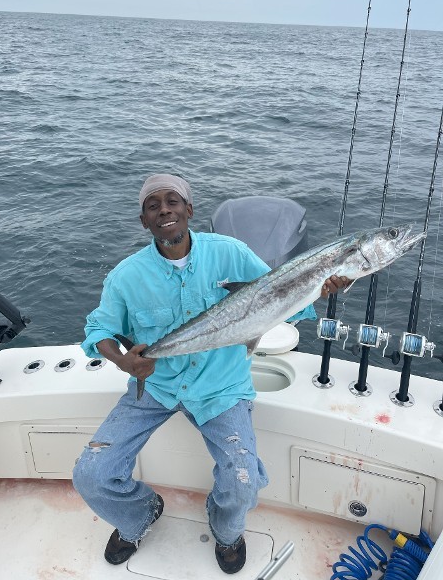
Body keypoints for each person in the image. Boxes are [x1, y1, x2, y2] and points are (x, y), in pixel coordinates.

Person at [73, 173, 350, 574]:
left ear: (190, 210)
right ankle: (139, 515)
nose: (165, 210)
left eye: (173, 202)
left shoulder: (231, 253)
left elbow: (283, 295)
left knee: (242, 483)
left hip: (222, 387)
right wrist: (123, 361)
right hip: (159, 386)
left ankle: (225, 530)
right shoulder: (126, 276)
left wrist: (320, 289)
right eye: (154, 205)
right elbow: (97, 329)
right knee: (91, 473)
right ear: (144, 221)